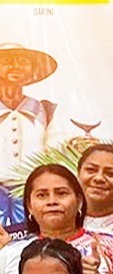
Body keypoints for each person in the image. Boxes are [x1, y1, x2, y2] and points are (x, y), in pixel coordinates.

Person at [0, 164, 113, 274]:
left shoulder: (110, 246)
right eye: (42, 195)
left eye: (61, 193)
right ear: (29, 206)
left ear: (79, 201)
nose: (52, 201)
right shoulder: (10, 253)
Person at [0, 43, 65, 182]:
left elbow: (55, 152)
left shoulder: (45, 110)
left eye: (23, 62)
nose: (16, 67)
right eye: (7, 62)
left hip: (31, 190)